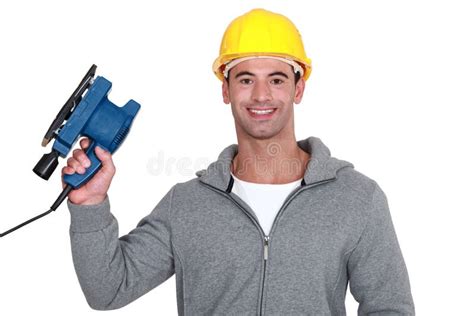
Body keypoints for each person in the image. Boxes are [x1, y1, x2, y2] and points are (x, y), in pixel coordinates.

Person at [63, 8, 415, 315]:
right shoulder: (186, 205)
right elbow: (108, 290)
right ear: (226, 90)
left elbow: (389, 309)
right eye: (246, 79)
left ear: (298, 89)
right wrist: (90, 205)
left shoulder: (357, 199)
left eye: (276, 79)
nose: (261, 95)